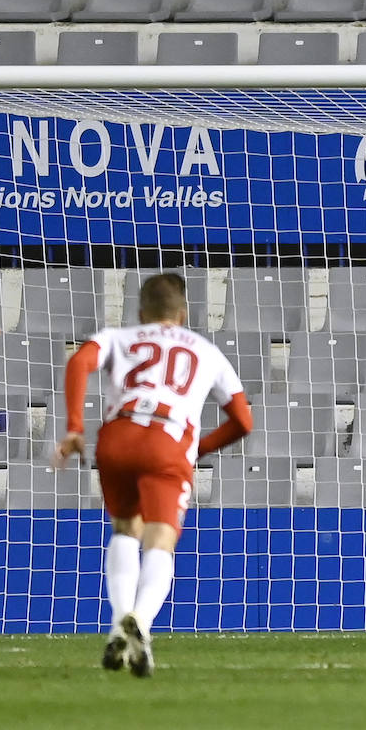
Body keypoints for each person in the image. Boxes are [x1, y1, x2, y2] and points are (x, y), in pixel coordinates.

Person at [55, 273, 253, 677]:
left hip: (117, 435)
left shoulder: (118, 337)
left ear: (142, 312)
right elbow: (243, 421)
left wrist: (75, 426)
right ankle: (141, 624)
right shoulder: (206, 350)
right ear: (182, 313)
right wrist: (198, 448)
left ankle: (117, 627)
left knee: (126, 529)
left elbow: (79, 361)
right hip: (168, 439)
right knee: (160, 539)